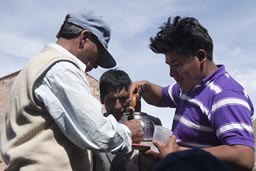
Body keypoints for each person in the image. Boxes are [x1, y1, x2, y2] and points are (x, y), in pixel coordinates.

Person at [0, 9, 144, 171]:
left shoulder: (38, 65)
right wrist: (127, 132)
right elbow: (98, 132)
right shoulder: (61, 69)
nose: (96, 64)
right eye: (100, 53)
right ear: (84, 38)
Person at [129, 16, 254, 171]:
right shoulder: (189, 87)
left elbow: (243, 156)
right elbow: (161, 97)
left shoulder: (224, 94)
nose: (171, 73)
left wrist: (178, 155)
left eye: (177, 65)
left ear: (201, 56)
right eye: (169, 65)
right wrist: (145, 87)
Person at [92, 69, 162, 171]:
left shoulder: (152, 124)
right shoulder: (98, 128)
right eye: (112, 100)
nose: (118, 106)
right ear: (102, 99)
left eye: (123, 99)